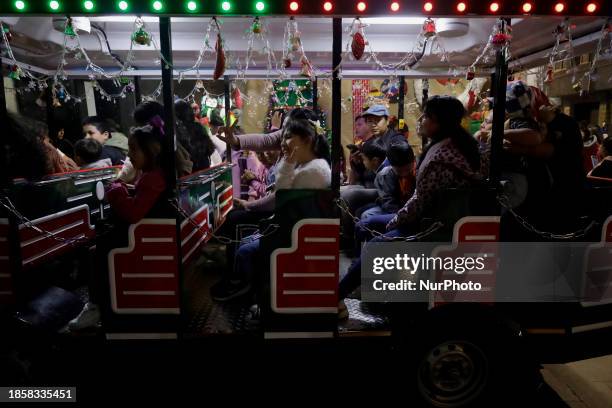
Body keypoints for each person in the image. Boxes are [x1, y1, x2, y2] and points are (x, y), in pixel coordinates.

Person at [338, 96, 483, 318]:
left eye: (426, 116)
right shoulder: (459, 146)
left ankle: (337, 295)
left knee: (377, 244)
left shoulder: (440, 156)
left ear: (437, 122)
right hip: (437, 219)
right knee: (368, 223)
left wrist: (395, 220)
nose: (421, 120)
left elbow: (419, 203)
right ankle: (368, 288)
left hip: (434, 226)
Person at [211, 114, 331, 301]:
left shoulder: (312, 170)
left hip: (292, 230)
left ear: (307, 139)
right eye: (282, 134)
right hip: (288, 223)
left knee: (240, 231)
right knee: (239, 227)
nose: (282, 140)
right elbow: (282, 194)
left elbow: (281, 199)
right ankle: (238, 279)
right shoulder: (300, 161)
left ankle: (243, 285)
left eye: (287, 135)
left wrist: (250, 205)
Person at [69, 123, 172, 329]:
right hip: (144, 231)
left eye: (134, 149)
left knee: (95, 252)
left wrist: (116, 190)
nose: (129, 155)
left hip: (143, 235)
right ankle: (101, 302)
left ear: (150, 151)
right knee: (95, 247)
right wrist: (128, 189)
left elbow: (134, 213)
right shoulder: (150, 174)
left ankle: (97, 306)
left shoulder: (153, 177)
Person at [175, 100, 215, 172]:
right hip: (205, 167)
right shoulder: (198, 126)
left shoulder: (179, 130)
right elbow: (210, 148)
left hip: (191, 171)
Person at [353, 140, 388, 219]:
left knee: (363, 213)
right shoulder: (379, 167)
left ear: (375, 160)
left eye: (364, 159)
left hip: (388, 208)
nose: (363, 162)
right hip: (382, 202)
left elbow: (388, 202)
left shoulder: (383, 174)